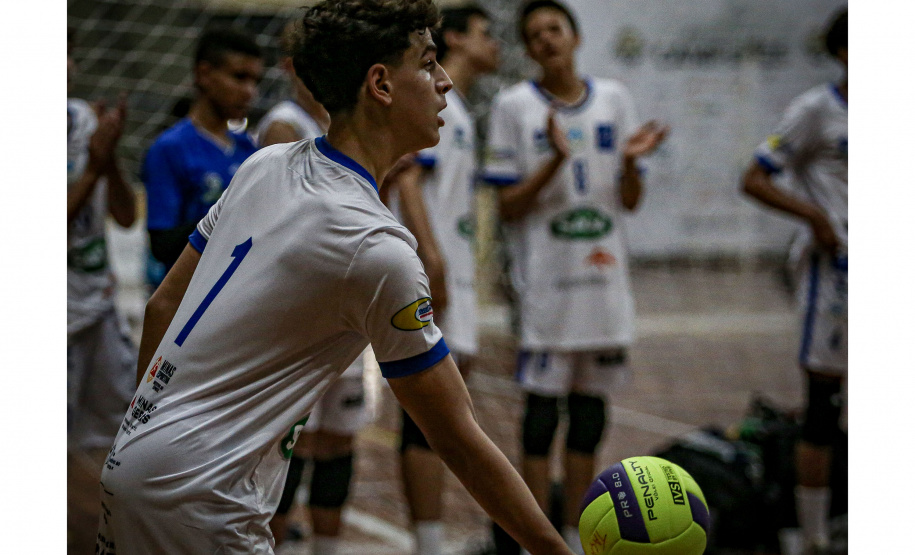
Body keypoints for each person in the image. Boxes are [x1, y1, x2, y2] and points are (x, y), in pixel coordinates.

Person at [96, 2, 575, 554]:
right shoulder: (378, 248)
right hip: (202, 499)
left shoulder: (263, 165)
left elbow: (162, 308)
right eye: (427, 63)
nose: (445, 82)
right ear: (381, 84)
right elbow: (457, 439)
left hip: (134, 459)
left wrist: (147, 432)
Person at [481, 1, 668, 553]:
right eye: (533, 34)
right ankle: (539, 538)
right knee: (540, 421)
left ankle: (581, 537)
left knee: (589, 419)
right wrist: (554, 161)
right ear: (528, 48)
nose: (545, 40)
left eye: (553, 29)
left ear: (575, 36)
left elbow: (630, 203)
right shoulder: (513, 106)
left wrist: (632, 164)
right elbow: (508, 207)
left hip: (605, 289)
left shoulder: (614, 98)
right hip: (546, 291)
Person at [383, 4, 500, 554]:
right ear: (454, 37)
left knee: (451, 409)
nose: (496, 43)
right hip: (434, 270)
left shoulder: (463, 110)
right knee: (433, 408)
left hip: (452, 267)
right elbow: (406, 174)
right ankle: (427, 542)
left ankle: (432, 537)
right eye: (485, 33)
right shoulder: (437, 103)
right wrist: (431, 256)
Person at [255, 22, 367, 555]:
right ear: (292, 66)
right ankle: (278, 545)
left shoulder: (352, 124)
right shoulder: (283, 124)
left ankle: (327, 548)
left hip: (345, 305)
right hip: (297, 312)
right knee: (292, 444)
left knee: (340, 438)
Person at [742, 9, 847, 555]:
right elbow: (754, 177)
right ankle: (811, 536)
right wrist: (816, 217)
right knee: (823, 406)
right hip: (836, 281)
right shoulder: (816, 111)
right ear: (845, 52)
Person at [67, 29, 137, 555]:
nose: (66, 65)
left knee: (129, 435)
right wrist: (93, 164)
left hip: (99, 305)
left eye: (68, 53)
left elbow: (124, 213)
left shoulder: (82, 119)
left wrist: (109, 156)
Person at [142, 26, 263, 278]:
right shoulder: (171, 147)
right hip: (189, 298)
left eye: (255, 81)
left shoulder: (248, 147)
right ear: (204, 74)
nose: (250, 91)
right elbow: (162, 245)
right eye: (240, 77)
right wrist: (228, 213)